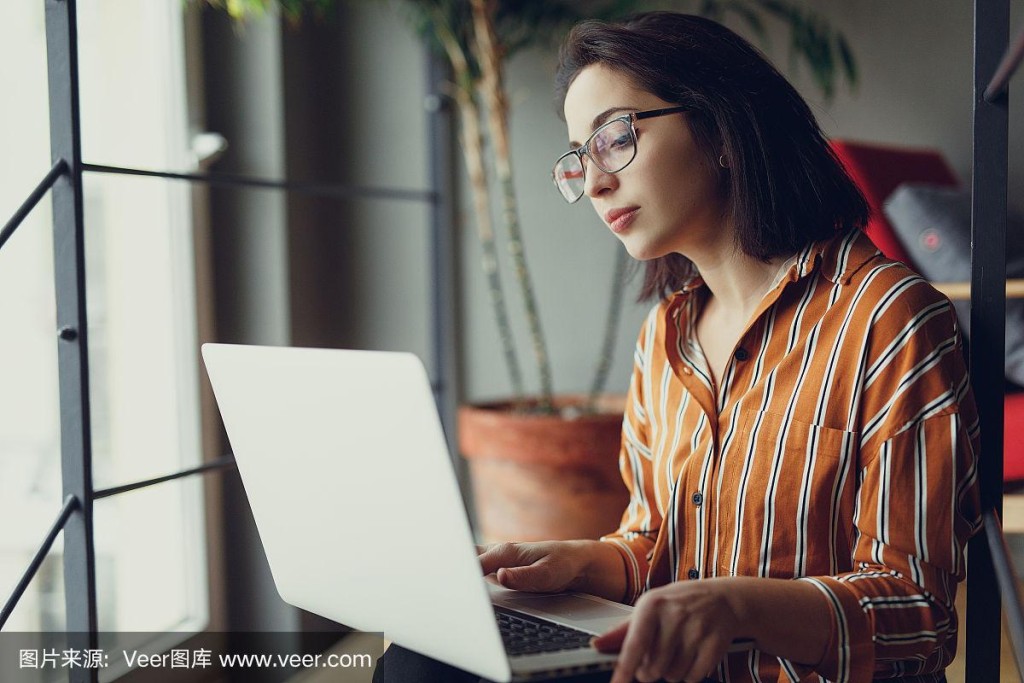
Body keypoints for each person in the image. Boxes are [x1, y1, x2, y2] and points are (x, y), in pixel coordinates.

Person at [376, 11, 981, 683]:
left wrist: (738, 606)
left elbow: (919, 615)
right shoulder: (666, 338)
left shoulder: (889, 319)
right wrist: (579, 561)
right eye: (580, 158)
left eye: (614, 138)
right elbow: (654, 544)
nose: (597, 182)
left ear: (720, 127)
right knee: (423, 658)